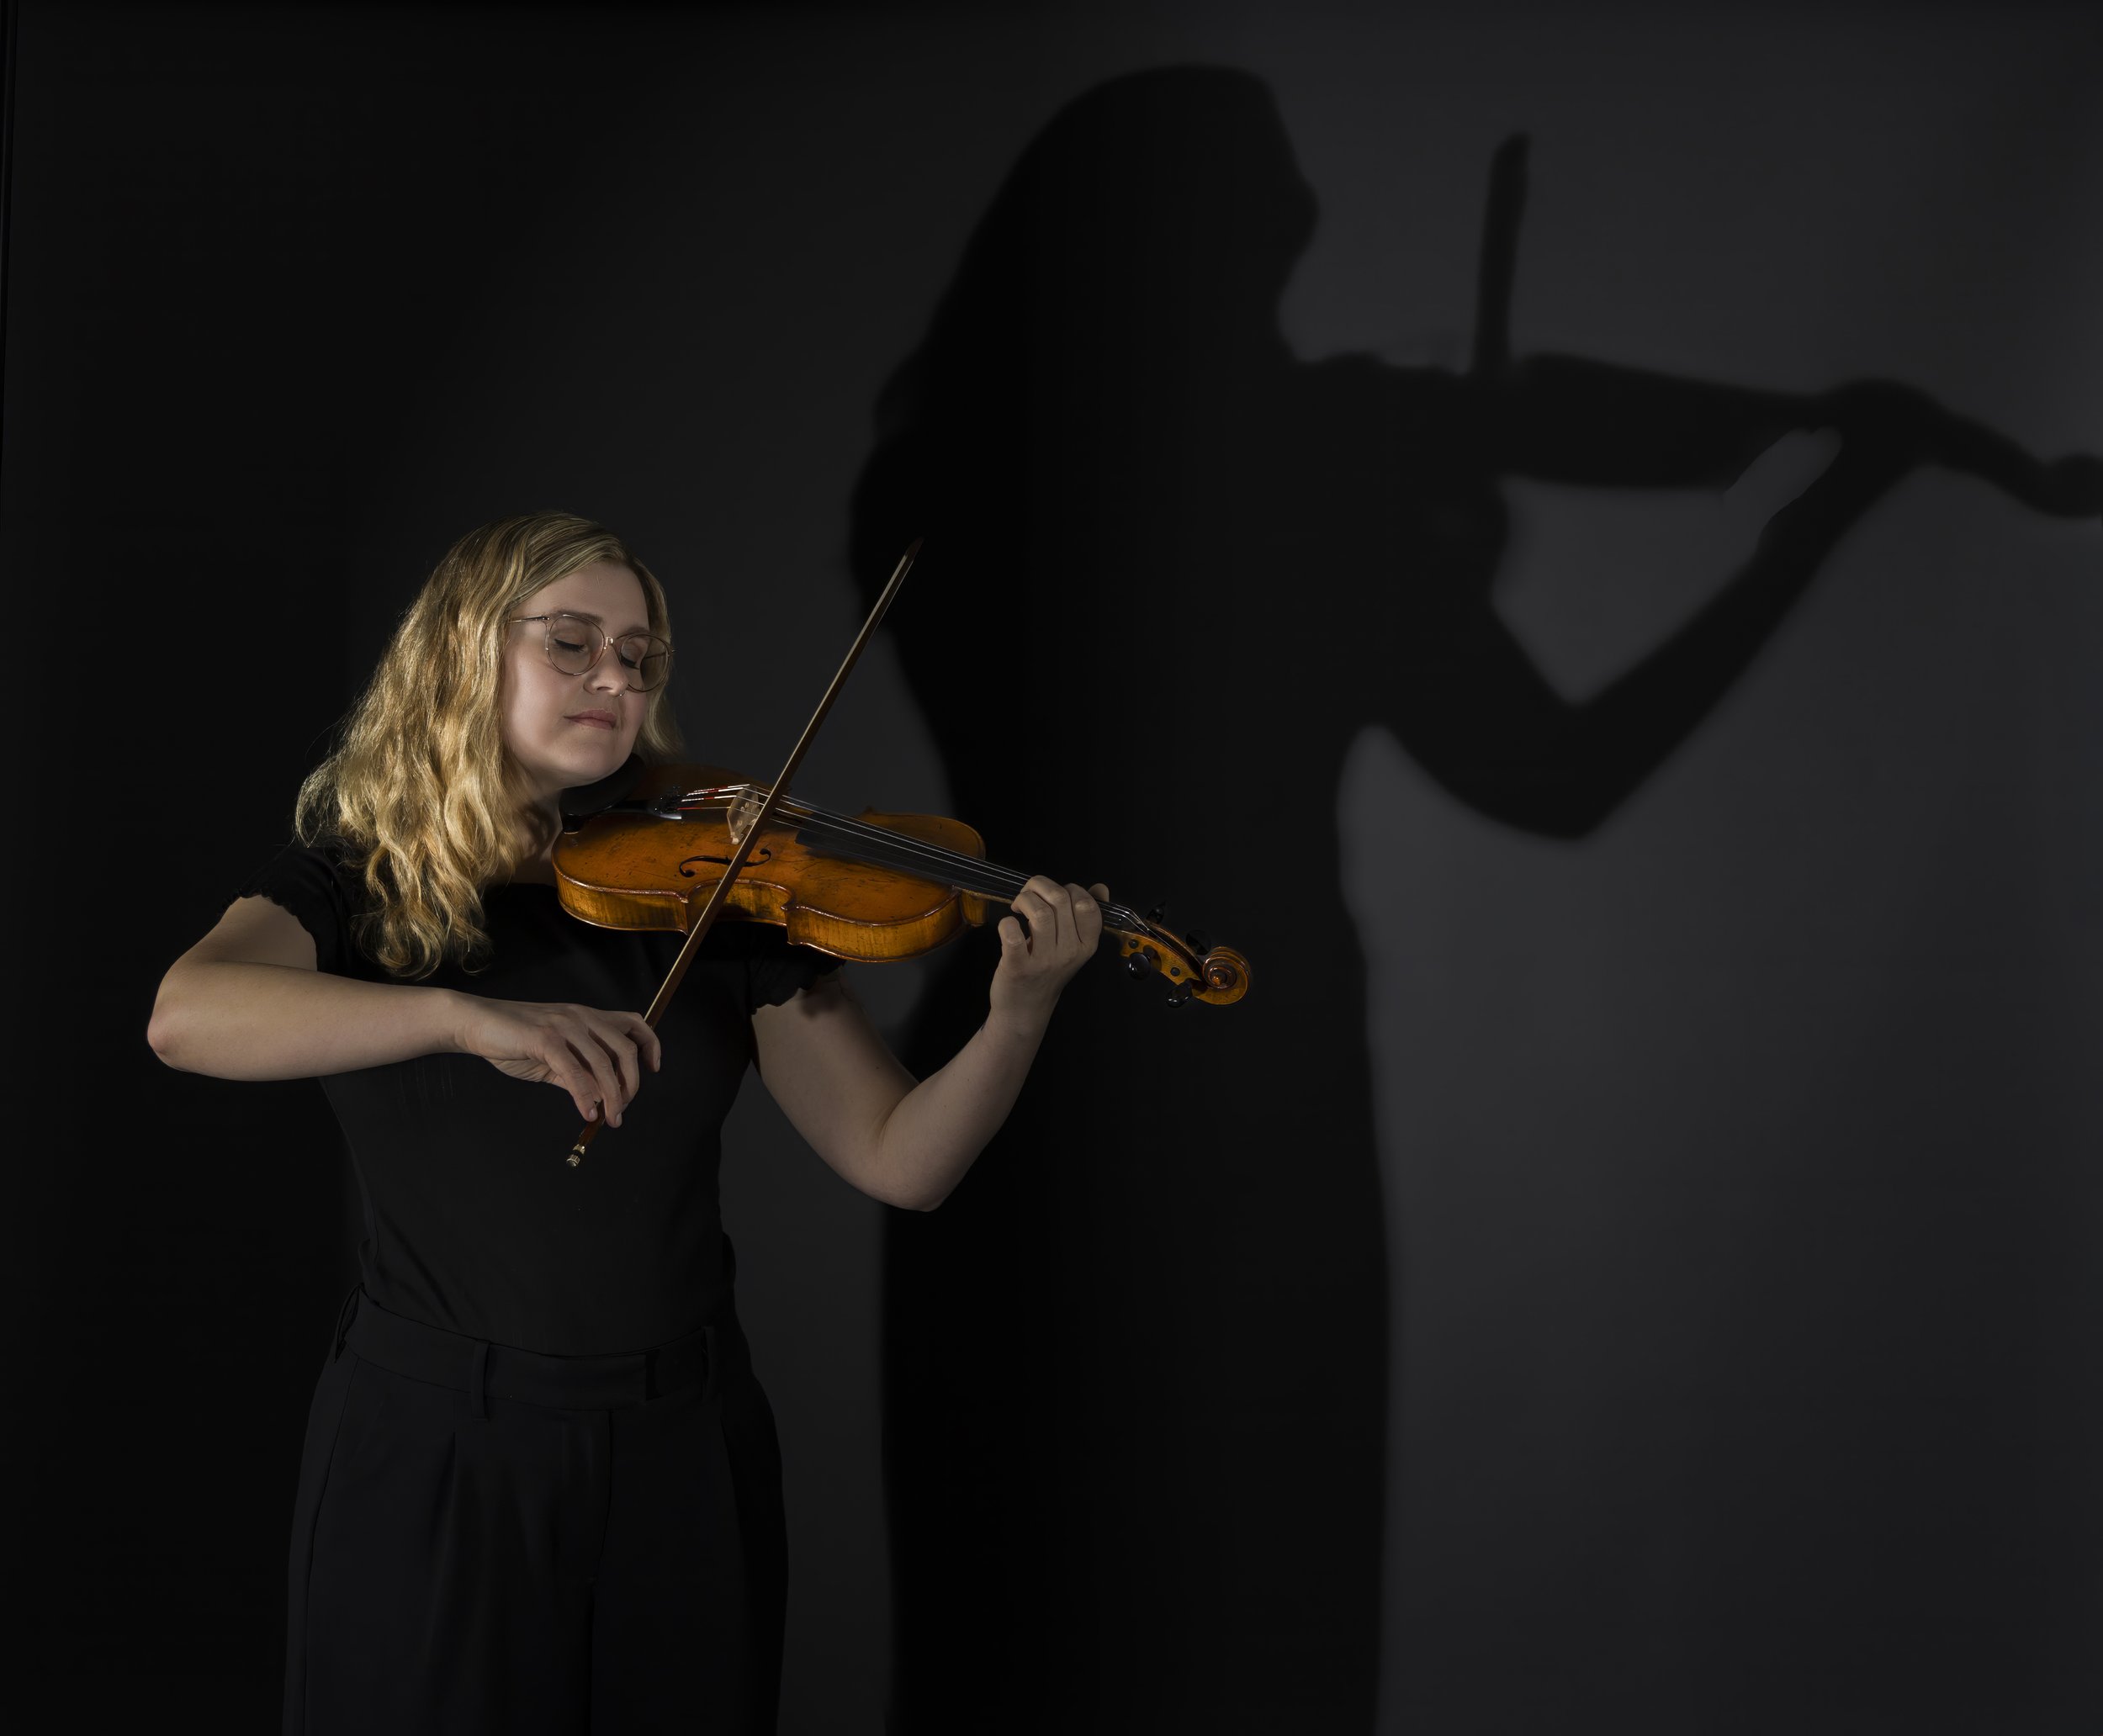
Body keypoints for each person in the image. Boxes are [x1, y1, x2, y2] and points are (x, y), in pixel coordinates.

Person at [146, 511, 1108, 1736]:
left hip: (681, 1448)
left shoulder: (713, 886)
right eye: (572, 642)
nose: (616, 677)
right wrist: (464, 1019)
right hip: (436, 1442)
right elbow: (186, 1017)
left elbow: (901, 1159)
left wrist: (1018, 1017)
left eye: (639, 654)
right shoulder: (358, 878)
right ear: (465, 650)